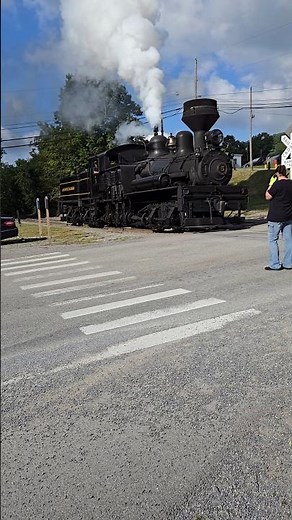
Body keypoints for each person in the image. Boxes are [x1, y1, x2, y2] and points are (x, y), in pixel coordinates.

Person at [264, 164, 292, 271]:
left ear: (277, 173)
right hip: (288, 216)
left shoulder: (276, 185)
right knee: (289, 240)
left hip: (275, 217)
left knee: (273, 240)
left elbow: (267, 196)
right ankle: (289, 263)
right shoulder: (291, 184)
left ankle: (275, 264)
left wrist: (270, 184)